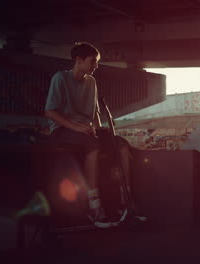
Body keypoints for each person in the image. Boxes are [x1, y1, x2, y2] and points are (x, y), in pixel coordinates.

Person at [45, 42, 133, 228]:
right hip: (62, 130)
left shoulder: (91, 82)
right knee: (93, 146)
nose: (96, 66)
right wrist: (75, 127)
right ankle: (94, 208)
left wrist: (100, 129)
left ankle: (127, 201)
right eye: (93, 61)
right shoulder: (60, 78)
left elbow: (94, 113)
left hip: (85, 131)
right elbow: (50, 112)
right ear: (79, 60)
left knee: (122, 144)